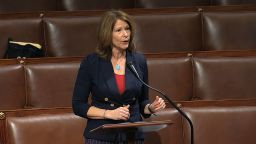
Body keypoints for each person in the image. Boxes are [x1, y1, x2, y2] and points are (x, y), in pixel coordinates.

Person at [72, 10, 166, 144]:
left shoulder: (139, 60)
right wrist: (108, 113)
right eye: (119, 30)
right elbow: (78, 105)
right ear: (107, 34)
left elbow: (142, 102)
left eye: (127, 29)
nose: (125, 34)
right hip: (101, 136)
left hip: (132, 135)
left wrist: (151, 108)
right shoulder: (91, 63)